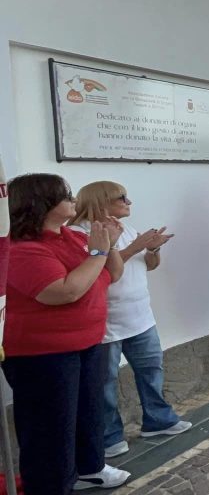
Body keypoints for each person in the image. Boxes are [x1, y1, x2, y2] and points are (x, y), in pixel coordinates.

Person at [4, 173, 130, 492]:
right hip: (42, 354)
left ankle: (89, 468)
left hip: (87, 343)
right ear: (41, 203)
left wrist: (109, 247)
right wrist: (97, 254)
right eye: (66, 194)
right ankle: (50, 486)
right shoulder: (22, 249)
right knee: (51, 428)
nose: (73, 200)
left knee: (87, 413)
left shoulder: (71, 236)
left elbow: (112, 274)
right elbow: (63, 292)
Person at [69, 181, 189, 460]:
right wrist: (136, 246)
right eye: (122, 197)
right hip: (107, 321)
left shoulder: (126, 229)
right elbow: (101, 270)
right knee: (104, 382)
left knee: (151, 370)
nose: (129, 202)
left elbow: (148, 266)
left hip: (140, 316)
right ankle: (109, 436)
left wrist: (153, 250)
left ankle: (158, 420)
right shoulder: (79, 233)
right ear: (100, 201)